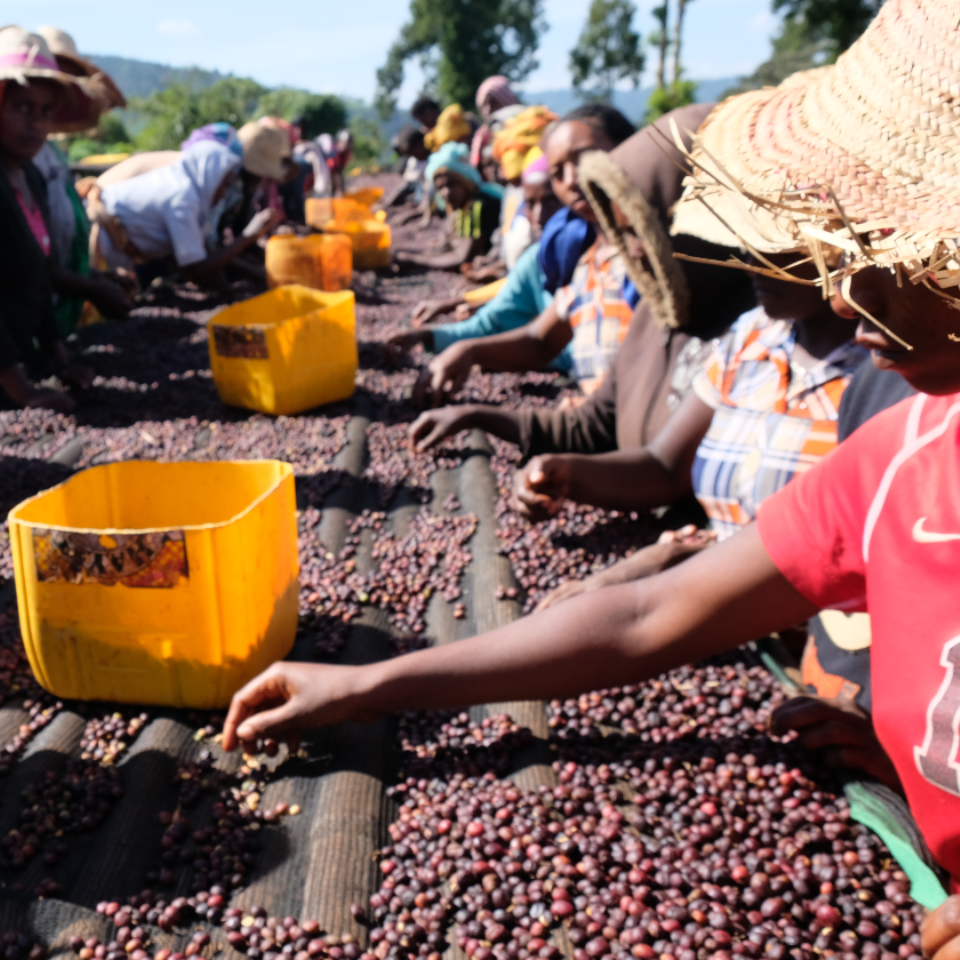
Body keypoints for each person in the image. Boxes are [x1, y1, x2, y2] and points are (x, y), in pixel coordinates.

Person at [220, 0, 960, 909]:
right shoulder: (903, 452)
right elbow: (649, 614)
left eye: (889, 244)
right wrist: (370, 684)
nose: (840, 292)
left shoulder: (886, 404)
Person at [386, 154, 568, 366]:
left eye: (552, 200)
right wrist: (430, 336)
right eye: (529, 203)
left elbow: (549, 345)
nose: (539, 216)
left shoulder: (598, 263)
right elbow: (495, 321)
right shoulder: (537, 259)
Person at [0, 26, 97, 412]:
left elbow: (39, 277)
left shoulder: (32, 176)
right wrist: (23, 392)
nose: (37, 123)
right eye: (22, 107)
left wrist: (61, 360)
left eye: (45, 110)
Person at [31, 27, 133, 333]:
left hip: (53, 314)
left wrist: (94, 277)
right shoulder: (20, 156)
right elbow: (27, 257)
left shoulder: (50, 151)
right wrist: (91, 288)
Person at [91, 141, 282, 290]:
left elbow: (204, 253)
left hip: (119, 248)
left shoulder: (192, 195)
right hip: (99, 244)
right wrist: (249, 235)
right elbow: (196, 269)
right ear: (210, 175)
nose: (224, 194)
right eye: (223, 186)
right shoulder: (183, 198)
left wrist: (228, 293)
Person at [393, 141, 503, 273]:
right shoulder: (462, 207)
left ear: (465, 181)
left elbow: (461, 257)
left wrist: (413, 259)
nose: (446, 193)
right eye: (440, 188)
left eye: (452, 184)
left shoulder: (480, 205)